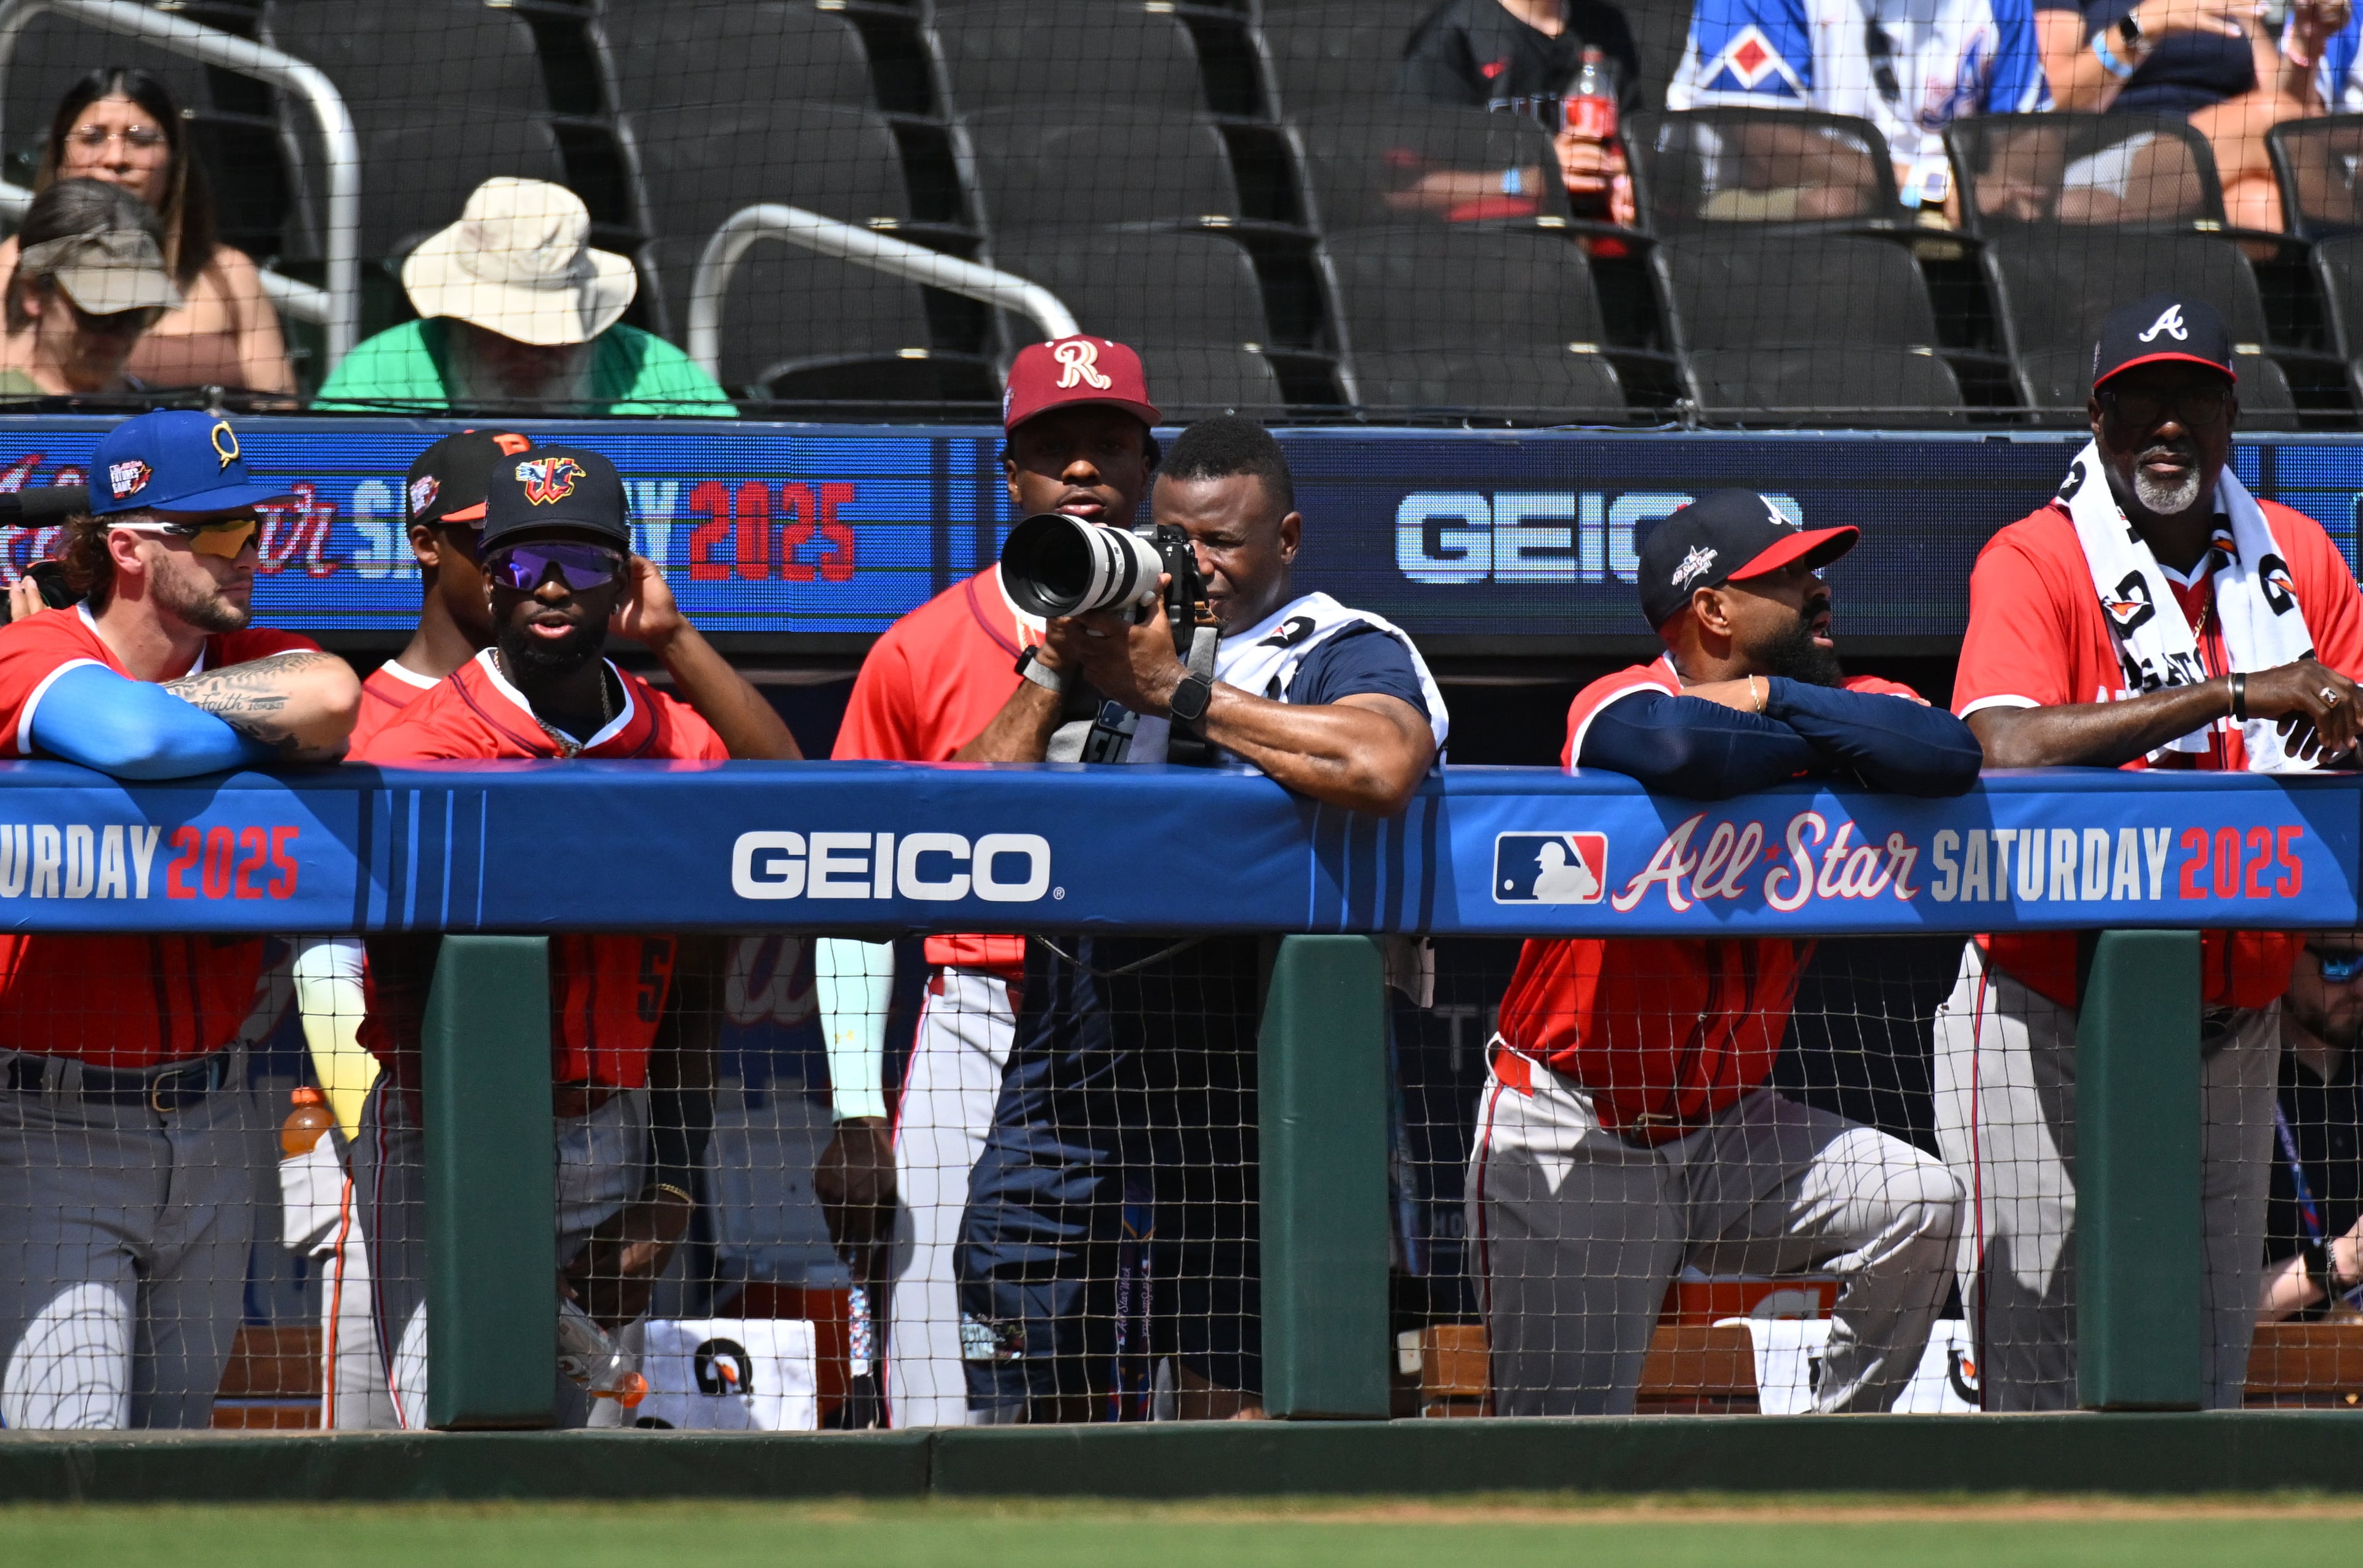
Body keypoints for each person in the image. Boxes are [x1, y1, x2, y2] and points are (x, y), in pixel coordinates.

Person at [954, 415, 1450, 1423]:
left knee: (1235, 1380)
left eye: (1225, 541)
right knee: (1019, 1324)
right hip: (1073, 1056)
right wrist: (1057, 666)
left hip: (1243, 1062)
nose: (1199, 565)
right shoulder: (1115, 646)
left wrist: (1176, 690)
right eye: (1178, 539)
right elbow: (970, 821)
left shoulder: (1339, 643)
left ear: (1289, 538)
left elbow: (1382, 763)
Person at [1938, 291, 2363, 1410]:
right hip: (2049, 1011)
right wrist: (2228, 692)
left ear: (2230, 417)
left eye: (2190, 398)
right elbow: (2008, 743)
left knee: (2206, 1376)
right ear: (2096, 419)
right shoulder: (2035, 556)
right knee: (2038, 1381)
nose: (2165, 425)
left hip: (2233, 1024)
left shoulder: (2304, 560)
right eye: (2138, 402)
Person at [1466, 489, 1975, 1417]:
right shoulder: (1622, 695)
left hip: (1730, 1129)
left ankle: (1827, 1460)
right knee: (1558, 1460)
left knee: (1923, 1204)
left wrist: (1774, 696)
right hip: (1579, 1125)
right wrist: (1816, 743)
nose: (1821, 592)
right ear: (1713, 609)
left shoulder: (1844, 698)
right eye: (1791, 577)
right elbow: (1681, 748)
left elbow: (1945, 753)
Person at [348, 443, 796, 1428]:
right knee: (446, 1428)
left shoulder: (677, 736)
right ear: (489, 578)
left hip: (617, 1135)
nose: (552, 585)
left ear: (627, 579)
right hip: (448, 1128)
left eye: (586, 563)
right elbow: (406, 990)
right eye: (520, 562)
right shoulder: (424, 742)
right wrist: (484, 1192)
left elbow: (794, 811)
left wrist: (672, 1188)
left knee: (579, 1457)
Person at [815, 334, 1162, 1430]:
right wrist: (857, 1103)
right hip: (983, 1005)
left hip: (1154, 1011)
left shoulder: (1210, 631)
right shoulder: (918, 649)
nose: (1084, 469)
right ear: (1009, 473)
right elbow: (848, 893)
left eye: (1110, 442)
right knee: (936, 1355)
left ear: (1148, 465)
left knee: (1161, 1331)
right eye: (1054, 447)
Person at [0, 409, 361, 1430]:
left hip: (215, 1119)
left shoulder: (258, 648)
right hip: (53, 1120)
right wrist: (250, 736)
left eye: (249, 527)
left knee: (177, 1460)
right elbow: (132, 735)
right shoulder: (34, 649)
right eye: (211, 532)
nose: (245, 552)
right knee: (67, 1458)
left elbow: (333, 694)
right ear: (125, 547)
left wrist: (181, 732)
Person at [314, 178, 733, 417]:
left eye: (551, 331)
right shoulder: (376, 379)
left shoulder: (665, 380)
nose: (531, 347)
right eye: (503, 329)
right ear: (462, 320)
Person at [0, 68, 292, 393]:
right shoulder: (15, 262)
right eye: (93, 137)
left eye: (140, 140)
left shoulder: (229, 273)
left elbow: (279, 410)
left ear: (174, 158)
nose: (115, 158)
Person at [1667, 0, 2050, 210]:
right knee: (1837, 205)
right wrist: (1934, 189)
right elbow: (1767, 149)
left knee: (2087, 209)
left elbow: (2031, 130)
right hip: (1733, 207)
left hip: (1936, 199)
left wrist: (2004, 192)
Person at [1397, 0, 1643, 219]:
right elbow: (1402, 191)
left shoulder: (1607, 27)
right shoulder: (1452, 33)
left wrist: (1623, 180)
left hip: (1597, 240)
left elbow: (1634, 150)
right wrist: (1529, 181)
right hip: (1488, 248)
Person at [2258, 935, 2363, 1322]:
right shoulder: (2224, 1079)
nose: (2361, 986)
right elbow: (2190, 1313)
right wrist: (2337, 1264)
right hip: (2263, 1373)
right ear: (2281, 955)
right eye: (2340, 962)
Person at [0, 178, 181, 400]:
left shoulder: (172, 415)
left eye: (134, 313)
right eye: (97, 313)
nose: (117, 333)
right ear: (34, 292)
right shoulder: (9, 414)